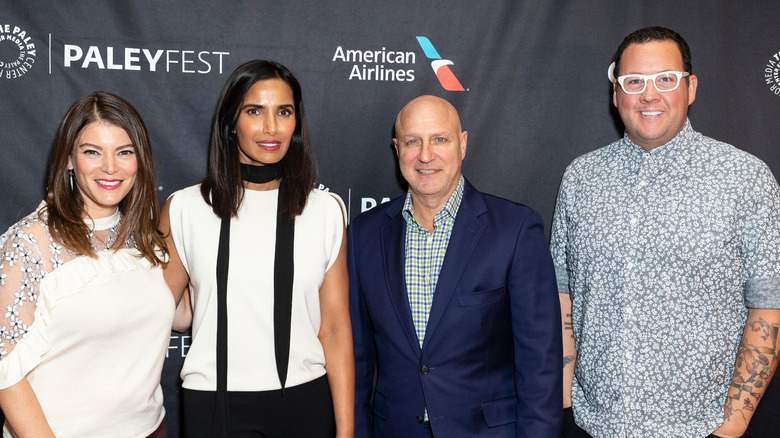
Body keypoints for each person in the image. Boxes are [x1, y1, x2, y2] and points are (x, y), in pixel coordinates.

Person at [551, 26, 780, 438]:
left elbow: (770, 303)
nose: (649, 95)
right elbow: (563, 293)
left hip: (702, 429)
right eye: (634, 81)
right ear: (616, 93)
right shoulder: (581, 178)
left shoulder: (745, 178)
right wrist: (565, 399)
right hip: (591, 425)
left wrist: (733, 422)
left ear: (690, 88)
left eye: (665, 79)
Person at [348, 95, 562, 437]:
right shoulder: (364, 235)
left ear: (462, 144)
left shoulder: (515, 229)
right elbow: (356, 363)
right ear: (396, 148)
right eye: (412, 141)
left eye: (439, 139)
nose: (425, 155)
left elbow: (541, 364)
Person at [160, 59, 354, 437]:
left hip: (305, 401)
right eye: (254, 111)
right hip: (213, 402)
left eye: (284, 111)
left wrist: (346, 432)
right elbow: (154, 313)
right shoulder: (184, 208)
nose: (271, 127)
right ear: (231, 122)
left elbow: (334, 329)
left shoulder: (326, 211)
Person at [0, 91, 176, 437]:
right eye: (92, 152)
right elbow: (5, 370)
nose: (110, 167)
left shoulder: (144, 237)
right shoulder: (31, 242)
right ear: (68, 159)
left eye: (124, 152)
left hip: (151, 429)